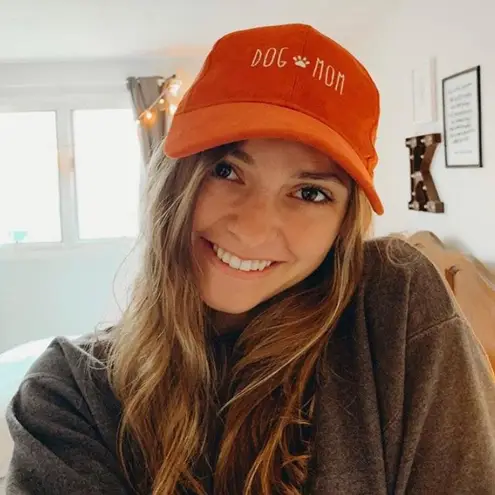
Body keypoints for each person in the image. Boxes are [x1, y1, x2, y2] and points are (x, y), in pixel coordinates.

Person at [6, 23, 495, 495]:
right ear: (172, 180)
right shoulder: (67, 395)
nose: (253, 228)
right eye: (225, 170)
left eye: (310, 192)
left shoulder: (393, 308)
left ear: (344, 223)